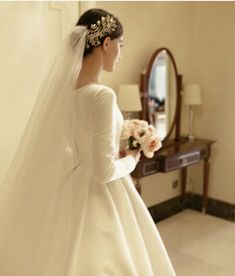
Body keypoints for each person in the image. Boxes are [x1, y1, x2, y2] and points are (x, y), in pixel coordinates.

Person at [0, 8, 175, 275]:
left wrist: (124, 135)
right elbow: (105, 171)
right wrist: (132, 158)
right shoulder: (102, 95)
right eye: (120, 45)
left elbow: (80, 143)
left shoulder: (67, 92)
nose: (120, 53)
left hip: (73, 182)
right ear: (106, 43)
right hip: (101, 191)